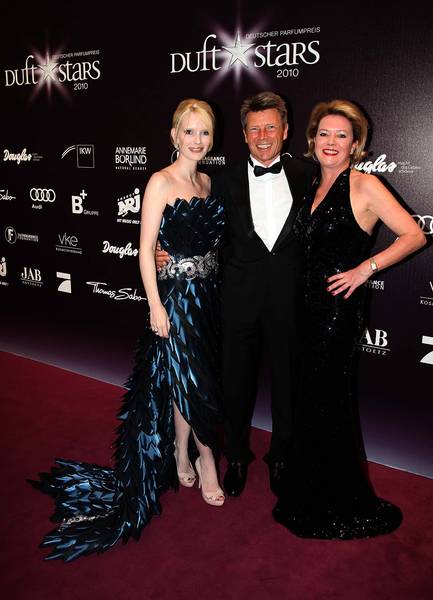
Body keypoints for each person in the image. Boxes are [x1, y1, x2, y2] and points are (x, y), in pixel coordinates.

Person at [28, 98, 225, 562]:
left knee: (186, 380)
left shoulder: (208, 182)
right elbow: (144, 249)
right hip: (174, 300)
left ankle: (180, 453)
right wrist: (155, 304)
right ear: (174, 135)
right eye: (189, 131)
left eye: (204, 132)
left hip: (208, 299)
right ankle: (207, 461)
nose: (197, 140)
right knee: (194, 381)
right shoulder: (160, 181)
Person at [272, 99, 426, 539]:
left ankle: (334, 499)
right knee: (308, 400)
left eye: (341, 135)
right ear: (312, 139)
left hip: (336, 312)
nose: (331, 142)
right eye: (324, 133)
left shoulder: (364, 184)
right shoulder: (312, 185)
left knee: (328, 402)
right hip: (304, 308)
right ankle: (308, 487)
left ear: (356, 143)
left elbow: (414, 235)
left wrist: (365, 269)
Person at [158, 91, 316, 496]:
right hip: (236, 302)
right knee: (234, 387)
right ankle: (238, 457)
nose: (262, 136)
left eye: (270, 127)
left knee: (287, 385)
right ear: (244, 135)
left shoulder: (309, 176)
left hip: (288, 301)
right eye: (254, 129)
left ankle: (281, 457)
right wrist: (167, 250)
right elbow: (196, 230)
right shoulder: (221, 181)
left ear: (285, 130)